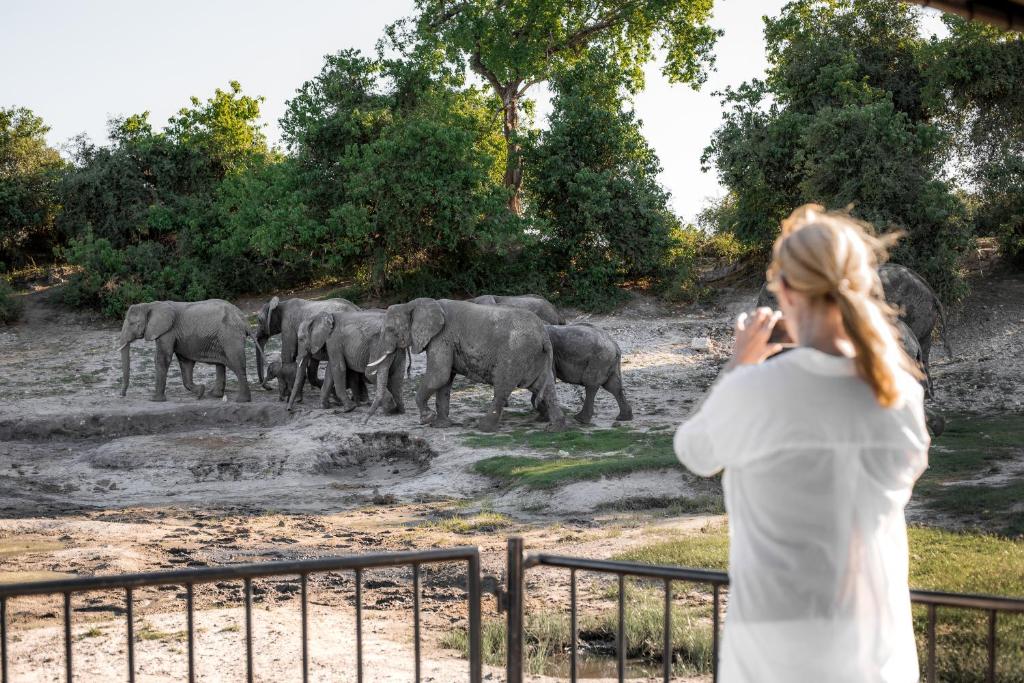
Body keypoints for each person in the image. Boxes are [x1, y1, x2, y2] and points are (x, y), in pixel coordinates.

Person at [674, 204, 930, 683]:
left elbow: (695, 452)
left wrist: (738, 365)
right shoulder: (899, 393)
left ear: (784, 290)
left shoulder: (757, 391)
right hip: (879, 645)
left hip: (775, 647)